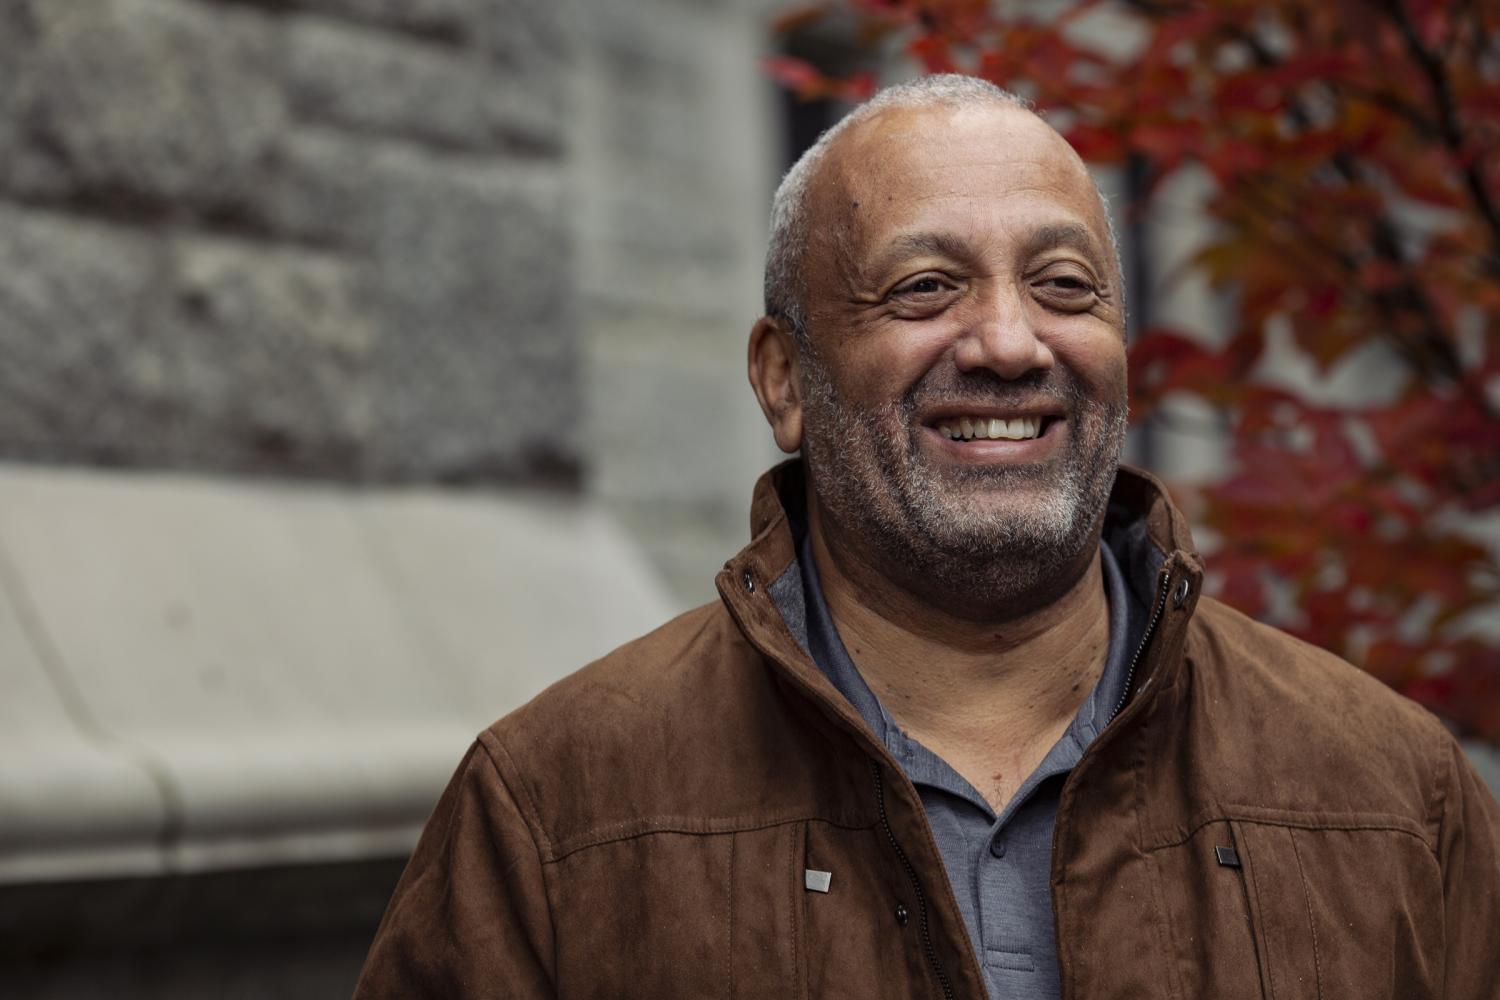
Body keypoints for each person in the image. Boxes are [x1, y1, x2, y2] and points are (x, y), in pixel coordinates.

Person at [353, 75, 1500, 999]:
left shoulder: (1396, 794)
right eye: (923, 287)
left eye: (1063, 285)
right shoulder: (556, 816)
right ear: (784, 377)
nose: (1009, 342)